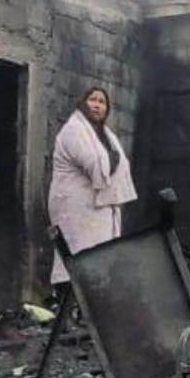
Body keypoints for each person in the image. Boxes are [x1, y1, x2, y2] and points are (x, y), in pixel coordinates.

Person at [47, 87, 137, 290]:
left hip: (100, 208)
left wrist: (113, 162)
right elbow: (93, 164)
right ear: (82, 103)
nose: (97, 105)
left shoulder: (107, 135)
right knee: (76, 256)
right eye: (92, 100)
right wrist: (111, 162)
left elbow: (119, 167)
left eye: (102, 102)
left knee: (98, 260)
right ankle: (67, 305)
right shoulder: (73, 131)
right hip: (76, 208)